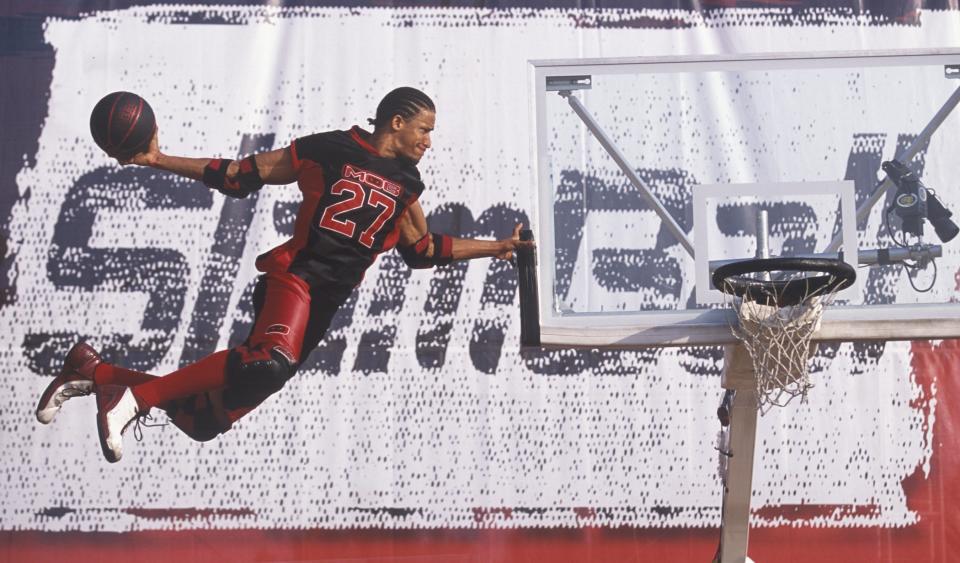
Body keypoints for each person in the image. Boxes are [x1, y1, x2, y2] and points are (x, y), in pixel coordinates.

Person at [36, 87, 531, 462]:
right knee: (270, 360)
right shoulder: (331, 148)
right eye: (423, 130)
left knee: (204, 420)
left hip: (322, 308)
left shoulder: (408, 184)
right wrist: (158, 159)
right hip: (293, 279)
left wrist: (498, 247)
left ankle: (94, 372)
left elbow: (422, 250)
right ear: (396, 123)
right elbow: (239, 175)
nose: (428, 141)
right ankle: (136, 399)